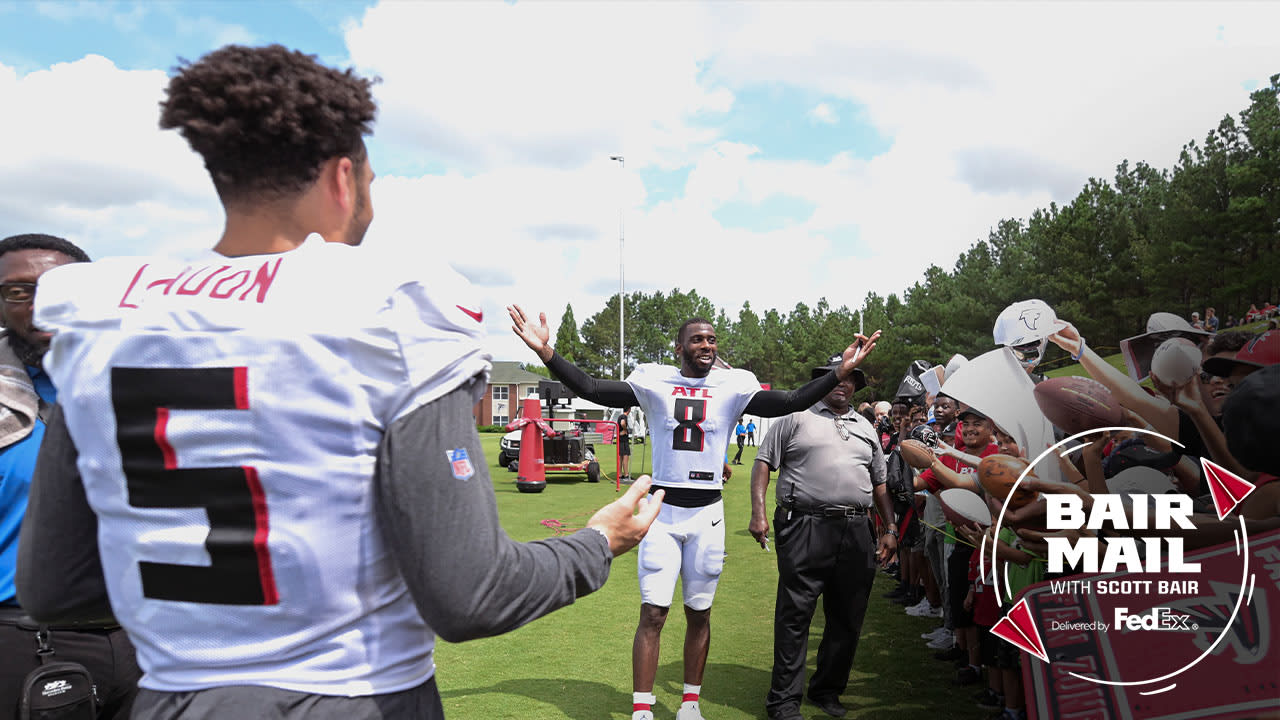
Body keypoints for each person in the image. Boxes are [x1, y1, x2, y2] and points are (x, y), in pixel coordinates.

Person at [15, 45, 663, 720]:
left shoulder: (106, 320)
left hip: (174, 701)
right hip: (353, 697)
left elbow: (56, 590)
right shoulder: (390, 310)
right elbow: (472, 595)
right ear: (342, 178)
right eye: (373, 184)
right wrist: (594, 545)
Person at [507, 305, 879, 720]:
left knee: (699, 612)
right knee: (653, 612)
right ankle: (643, 709)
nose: (707, 345)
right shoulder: (653, 380)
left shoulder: (733, 384)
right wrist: (547, 354)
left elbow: (788, 401)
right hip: (661, 513)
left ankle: (689, 703)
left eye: (712, 339)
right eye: (698, 339)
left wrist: (837, 372)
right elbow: (592, 388)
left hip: (707, 515)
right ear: (680, 346)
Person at [0, 234, 142, 719]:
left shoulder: (144, 386)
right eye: (18, 291)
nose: (42, 304)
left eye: (61, 286)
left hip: (151, 641)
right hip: (19, 643)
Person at [749, 353, 895, 720]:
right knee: (795, 614)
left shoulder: (866, 427)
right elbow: (763, 464)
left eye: (850, 380)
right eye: (837, 378)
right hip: (804, 525)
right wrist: (758, 513)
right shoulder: (795, 417)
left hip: (857, 529)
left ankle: (827, 690)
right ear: (825, 381)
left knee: (848, 616)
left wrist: (891, 527)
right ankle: (783, 701)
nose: (843, 385)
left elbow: (879, 483)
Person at [619, 407, 634, 482]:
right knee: (625, 457)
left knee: (620, 457)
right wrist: (625, 429)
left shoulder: (620, 416)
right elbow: (622, 423)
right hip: (624, 440)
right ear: (629, 410)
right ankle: (626, 475)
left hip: (620, 440)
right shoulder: (624, 416)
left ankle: (620, 475)